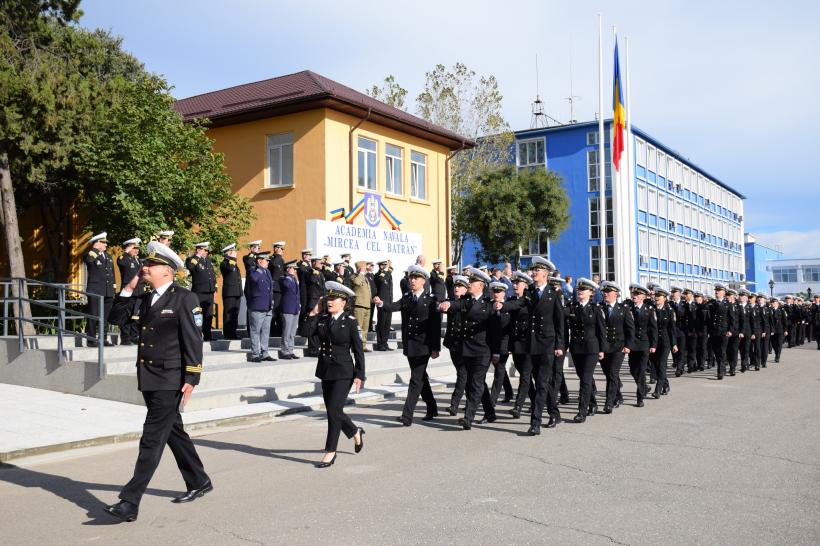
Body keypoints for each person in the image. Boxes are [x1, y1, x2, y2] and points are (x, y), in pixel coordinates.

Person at [103, 241, 211, 523]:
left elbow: (193, 339)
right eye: (145, 264)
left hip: (170, 378)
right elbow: (117, 321)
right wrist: (129, 287)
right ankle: (199, 481)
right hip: (149, 377)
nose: (144, 267)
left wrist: (192, 376)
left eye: (150, 265)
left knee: (152, 438)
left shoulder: (184, 298)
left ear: (168, 271)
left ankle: (130, 501)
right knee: (173, 431)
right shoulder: (144, 298)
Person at [501, 257, 564, 435]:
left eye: (537, 270)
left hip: (547, 343)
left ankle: (535, 422)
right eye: (533, 270)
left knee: (542, 383)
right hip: (532, 344)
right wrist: (503, 305)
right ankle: (554, 412)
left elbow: (559, 321)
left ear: (545, 274)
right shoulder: (529, 292)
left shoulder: (553, 294)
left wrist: (560, 345)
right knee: (541, 381)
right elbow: (519, 303)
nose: (534, 272)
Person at [308, 281, 365, 468]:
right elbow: (305, 331)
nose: (330, 301)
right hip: (326, 371)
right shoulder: (323, 318)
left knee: (333, 411)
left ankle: (330, 452)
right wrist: (314, 312)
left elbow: (358, 350)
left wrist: (359, 374)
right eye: (329, 298)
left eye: (334, 298)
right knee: (334, 410)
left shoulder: (350, 322)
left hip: (344, 372)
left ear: (344, 302)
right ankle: (355, 431)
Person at [376, 265, 442, 426]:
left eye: (416, 278)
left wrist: (436, 347)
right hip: (410, 345)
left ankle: (407, 415)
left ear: (423, 281)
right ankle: (432, 407)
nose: (412, 281)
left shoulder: (431, 300)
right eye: (411, 278)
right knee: (421, 378)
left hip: (424, 346)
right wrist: (380, 303)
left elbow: (435, 326)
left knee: (415, 379)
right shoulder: (407, 297)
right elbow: (394, 307)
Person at [440, 267, 496, 430]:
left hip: (482, 350)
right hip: (466, 349)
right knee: (477, 383)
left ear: (481, 285)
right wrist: (447, 303)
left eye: (472, 281)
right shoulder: (466, 300)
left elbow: (495, 331)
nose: (469, 284)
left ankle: (468, 417)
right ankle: (490, 412)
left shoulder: (489, 304)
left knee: (475, 383)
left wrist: (498, 351)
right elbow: (456, 304)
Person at [566, 278, 606, 423]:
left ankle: (581, 412)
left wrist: (602, 349)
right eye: (579, 290)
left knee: (586, 378)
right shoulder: (572, 307)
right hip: (576, 348)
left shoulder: (596, 309)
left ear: (591, 293)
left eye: (583, 290)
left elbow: (601, 331)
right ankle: (593, 403)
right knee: (582, 376)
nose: (580, 292)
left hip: (591, 349)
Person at [600, 281, 634, 414]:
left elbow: (630, 328)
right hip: (604, 346)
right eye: (604, 292)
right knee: (608, 374)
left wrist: (628, 345)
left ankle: (609, 403)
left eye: (608, 292)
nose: (605, 294)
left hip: (618, 346)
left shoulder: (623, 309)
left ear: (616, 294)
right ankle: (618, 395)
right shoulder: (599, 307)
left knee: (613, 373)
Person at [508, 271, 536, 419]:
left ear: (525, 285)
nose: (514, 285)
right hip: (516, 344)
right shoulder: (512, 300)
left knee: (525, 376)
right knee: (526, 377)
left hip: (528, 344)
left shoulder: (530, 300)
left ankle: (517, 406)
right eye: (513, 283)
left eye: (517, 283)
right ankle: (536, 400)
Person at [627, 284, 657, 408]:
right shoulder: (627, 308)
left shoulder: (649, 309)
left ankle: (640, 397)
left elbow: (653, 328)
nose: (634, 296)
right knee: (633, 369)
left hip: (644, 343)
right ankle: (644, 387)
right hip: (632, 344)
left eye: (637, 294)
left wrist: (653, 344)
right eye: (633, 294)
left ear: (643, 297)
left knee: (642, 370)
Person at [84, 232, 116, 347]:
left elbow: (112, 275)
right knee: (93, 315)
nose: (106, 245)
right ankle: (91, 340)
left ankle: (103, 338)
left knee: (105, 317)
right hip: (95, 290)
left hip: (107, 291)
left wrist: (113, 290)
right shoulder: (91, 254)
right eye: (103, 243)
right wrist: (96, 250)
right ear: (97, 243)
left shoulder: (108, 256)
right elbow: (89, 261)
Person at [444, 275, 469, 416]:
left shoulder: (469, 303)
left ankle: (454, 404)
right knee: (464, 375)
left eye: (460, 286)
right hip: (453, 344)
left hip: (465, 345)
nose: (456, 288)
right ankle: (472, 401)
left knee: (462, 374)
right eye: (455, 286)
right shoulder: (450, 302)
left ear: (466, 289)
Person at [246, 252, 276, 363]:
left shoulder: (267, 271)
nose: (268, 262)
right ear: (259, 261)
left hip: (267, 305)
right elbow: (254, 279)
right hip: (257, 306)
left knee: (265, 331)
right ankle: (255, 354)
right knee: (255, 331)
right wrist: (259, 268)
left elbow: (270, 288)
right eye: (266, 260)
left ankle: (265, 352)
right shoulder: (253, 271)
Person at [651, 287, 678, 396]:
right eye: (656, 296)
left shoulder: (669, 310)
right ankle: (665, 384)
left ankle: (657, 390)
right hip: (654, 342)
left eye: (659, 296)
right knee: (656, 365)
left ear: (664, 298)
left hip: (665, 342)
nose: (656, 298)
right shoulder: (651, 309)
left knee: (662, 365)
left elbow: (672, 329)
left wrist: (674, 343)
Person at [116, 237, 142, 345]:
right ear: (129, 248)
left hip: (138, 291)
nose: (137, 250)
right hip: (128, 291)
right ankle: (125, 338)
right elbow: (120, 261)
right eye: (134, 248)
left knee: (135, 315)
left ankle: (133, 335)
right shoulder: (125, 259)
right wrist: (126, 251)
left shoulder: (137, 260)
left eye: (137, 248)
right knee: (125, 315)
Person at [304, 256, 327, 357]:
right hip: (314, 303)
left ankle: (317, 347)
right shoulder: (310, 273)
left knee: (319, 327)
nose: (322, 264)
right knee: (312, 327)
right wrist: (314, 272)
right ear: (313, 263)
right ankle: (312, 349)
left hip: (321, 303)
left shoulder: (320, 273)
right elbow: (312, 282)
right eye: (320, 263)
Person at [219, 244, 242, 340]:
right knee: (228, 314)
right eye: (232, 251)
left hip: (236, 292)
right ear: (227, 253)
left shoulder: (233, 263)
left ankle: (233, 333)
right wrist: (232, 258)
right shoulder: (224, 263)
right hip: (229, 293)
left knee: (235, 314)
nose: (234, 252)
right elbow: (229, 269)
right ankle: (228, 334)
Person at [279, 260, 301, 359]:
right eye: (293, 269)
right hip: (287, 308)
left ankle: (290, 350)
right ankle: (284, 351)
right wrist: (289, 275)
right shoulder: (284, 278)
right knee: (287, 331)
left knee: (292, 332)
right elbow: (286, 286)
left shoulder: (294, 279)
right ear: (288, 269)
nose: (295, 271)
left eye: (295, 269)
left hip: (295, 308)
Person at [350, 261, 372, 352]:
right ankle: (356, 346)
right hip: (359, 305)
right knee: (358, 328)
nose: (366, 269)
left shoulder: (365, 277)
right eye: (364, 268)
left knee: (365, 328)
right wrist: (361, 273)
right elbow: (357, 283)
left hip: (367, 305)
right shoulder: (354, 276)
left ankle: (363, 346)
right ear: (359, 268)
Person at [373, 259, 394, 351]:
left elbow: (388, 275)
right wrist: (388, 269)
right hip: (381, 302)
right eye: (383, 265)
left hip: (389, 302)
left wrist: (389, 268)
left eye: (385, 265)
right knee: (381, 323)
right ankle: (380, 343)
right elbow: (382, 279)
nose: (385, 266)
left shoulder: (388, 274)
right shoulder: (377, 275)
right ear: (379, 265)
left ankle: (385, 342)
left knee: (387, 323)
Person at [669, 286, 688, 377]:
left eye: (675, 292)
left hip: (682, 331)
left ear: (679, 294)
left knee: (682, 350)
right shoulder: (669, 304)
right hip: (672, 331)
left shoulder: (684, 304)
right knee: (674, 351)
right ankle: (677, 363)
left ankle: (680, 368)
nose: (673, 294)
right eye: (672, 292)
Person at [269, 241, 286, 337]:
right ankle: (273, 331)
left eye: (283, 249)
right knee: (274, 311)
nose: (282, 251)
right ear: (276, 249)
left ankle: (279, 331)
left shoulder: (281, 260)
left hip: (280, 289)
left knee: (279, 310)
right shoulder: (273, 259)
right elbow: (274, 268)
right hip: (274, 289)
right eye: (281, 249)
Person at [769, 297, 788, 362]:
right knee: (773, 343)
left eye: (773, 302)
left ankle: (778, 356)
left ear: (777, 303)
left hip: (780, 329)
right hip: (772, 330)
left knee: (779, 343)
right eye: (771, 302)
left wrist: (785, 330)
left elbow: (785, 321)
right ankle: (776, 353)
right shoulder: (769, 310)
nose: (772, 304)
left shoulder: (782, 310)